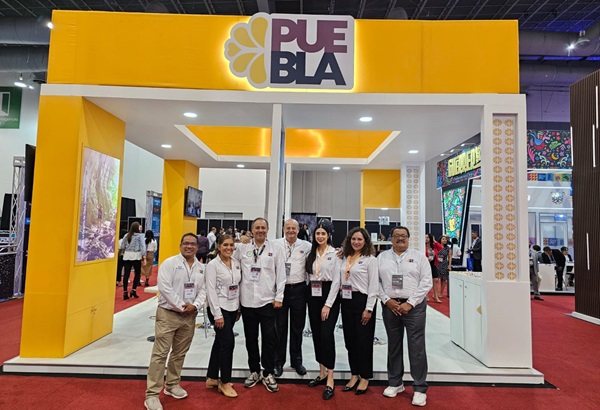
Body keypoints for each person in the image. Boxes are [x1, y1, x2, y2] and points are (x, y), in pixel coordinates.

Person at [144, 233, 206, 410]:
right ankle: (152, 394)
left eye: (193, 244)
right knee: (160, 354)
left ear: (197, 247)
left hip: (189, 315)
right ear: (180, 245)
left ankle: (172, 385)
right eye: (186, 243)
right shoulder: (169, 263)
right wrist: (181, 306)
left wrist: (195, 306)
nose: (189, 246)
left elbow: (204, 290)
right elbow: (165, 288)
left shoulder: (201, 268)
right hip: (168, 314)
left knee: (179, 353)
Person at [378, 226, 432, 407]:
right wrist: (387, 300)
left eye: (404, 236)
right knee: (394, 345)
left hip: (414, 308)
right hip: (390, 307)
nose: (400, 238)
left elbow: (426, 282)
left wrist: (410, 303)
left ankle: (419, 388)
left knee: (416, 347)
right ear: (391, 238)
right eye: (397, 235)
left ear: (408, 238)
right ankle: (395, 383)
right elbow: (375, 281)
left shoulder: (419, 257)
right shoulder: (382, 258)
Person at [233, 217, 286, 393]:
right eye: (257, 228)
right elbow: (234, 270)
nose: (260, 230)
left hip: (267, 301)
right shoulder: (242, 249)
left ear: (267, 229)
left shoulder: (275, 249)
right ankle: (254, 371)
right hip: (247, 301)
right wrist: (236, 302)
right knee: (251, 339)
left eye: (263, 227)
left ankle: (268, 372)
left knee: (269, 339)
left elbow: (281, 275)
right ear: (252, 230)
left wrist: (279, 297)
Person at [339, 227, 378, 395]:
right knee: (350, 341)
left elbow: (374, 286)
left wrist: (369, 308)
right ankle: (354, 374)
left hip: (363, 302)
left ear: (365, 241)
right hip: (346, 300)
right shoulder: (345, 257)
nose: (356, 242)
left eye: (359, 239)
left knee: (364, 341)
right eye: (353, 239)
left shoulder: (370, 260)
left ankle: (365, 376)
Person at [305, 220, 340, 400]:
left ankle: (331, 378)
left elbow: (337, 282)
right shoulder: (311, 254)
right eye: (317, 233)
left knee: (327, 335)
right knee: (317, 334)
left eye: (323, 234)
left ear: (329, 235)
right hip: (313, 294)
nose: (320, 236)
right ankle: (322, 372)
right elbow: (308, 276)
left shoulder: (336, 254)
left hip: (329, 295)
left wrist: (328, 304)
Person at [273, 218, 311, 377]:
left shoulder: (306, 246)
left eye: (293, 228)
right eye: (288, 228)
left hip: (299, 290)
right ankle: (278, 362)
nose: (291, 231)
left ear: (298, 230)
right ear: (283, 229)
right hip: (280, 291)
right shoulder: (275, 244)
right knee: (279, 328)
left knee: (297, 328)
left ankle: (296, 361)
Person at [205, 234, 242, 398]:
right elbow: (210, 290)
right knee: (228, 343)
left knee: (219, 342)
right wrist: (217, 314)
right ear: (219, 246)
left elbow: (237, 286)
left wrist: (238, 308)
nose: (229, 248)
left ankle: (212, 377)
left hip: (232, 308)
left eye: (231, 245)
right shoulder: (212, 265)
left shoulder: (236, 263)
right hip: (218, 309)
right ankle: (225, 382)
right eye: (225, 245)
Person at [120, 222, 146, 300]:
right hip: (136, 256)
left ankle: (125, 292)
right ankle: (133, 290)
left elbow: (122, 246)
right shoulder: (140, 236)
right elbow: (143, 247)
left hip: (127, 256)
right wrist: (144, 257)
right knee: (137, 273)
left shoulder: (126, 235)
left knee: (126, 274)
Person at [425, 233, 442, 303]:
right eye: (425, 237)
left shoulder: (434, 246)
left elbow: (441, 247)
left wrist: (435, 241)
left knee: (435, 279)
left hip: (433, 264)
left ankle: (435, 295)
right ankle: (426, 295)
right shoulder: (422, 246)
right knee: (426, 280)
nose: (426, 239)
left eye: (427, 237)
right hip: (426, 264)